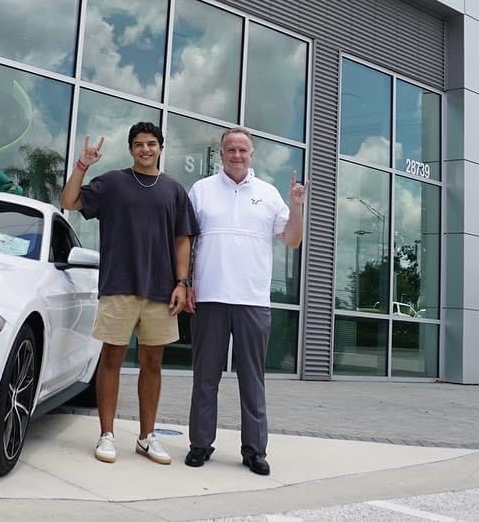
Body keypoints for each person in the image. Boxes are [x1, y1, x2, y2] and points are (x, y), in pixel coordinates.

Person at [60, 121, 197, 466]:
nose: (145, 149)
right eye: (139, 144)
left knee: (153, 363)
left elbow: (184, 240)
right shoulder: (113, 183)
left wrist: (182, 283)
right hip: (119, 285)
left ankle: (146, 438)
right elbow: (69, 201)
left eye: (151, 143)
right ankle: (106, 434)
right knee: (111, 359)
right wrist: (82, 166)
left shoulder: (174, 191)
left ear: (161, 148)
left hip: (160, 290)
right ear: (131, 149)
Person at [184, 127, 305, 475]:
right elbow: (189, 239)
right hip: (209, 297)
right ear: (220, 154)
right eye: (230, 150)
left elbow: (292, 240)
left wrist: (296, 206)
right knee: (205, 377)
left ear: (252, 154)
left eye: (243, 150)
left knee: (252, 379)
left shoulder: (268, 195)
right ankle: (200, 444)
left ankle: (254, 451)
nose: (236, 155)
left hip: (252, 300)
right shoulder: (202, 190)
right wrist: (187, 282)